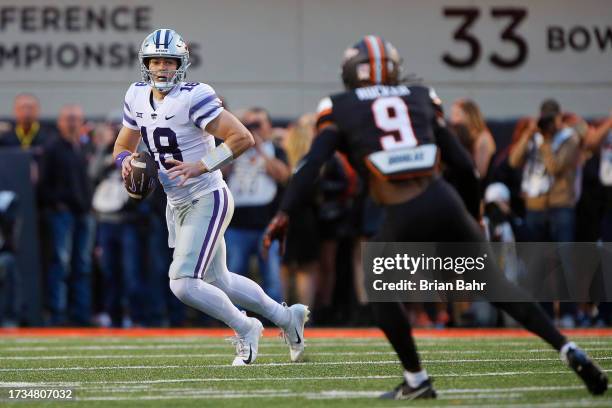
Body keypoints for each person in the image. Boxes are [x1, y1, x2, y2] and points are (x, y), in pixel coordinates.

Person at [263, 35, 608, 399]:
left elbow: (311, 165)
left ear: (350, 72)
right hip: (445, 200)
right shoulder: (421, 96)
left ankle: (416, 379)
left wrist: (285, 211)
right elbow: (463, 165)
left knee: (377, 284)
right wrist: (472, 214)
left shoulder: (338, 106)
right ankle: (569, 348)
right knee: (500, 287)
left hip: (402, 207)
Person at [112, 29, 308, 365]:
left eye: (169, 61)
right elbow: (122, 146)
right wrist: (124, 162)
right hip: (177, 203)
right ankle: (288, 317)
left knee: (183, 284)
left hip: (207, 195)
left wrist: (201, 165)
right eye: (156, 61)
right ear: (145, 64)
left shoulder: (194, 96)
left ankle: (245, 327)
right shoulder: (135, 95)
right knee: (220, 280)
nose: (161, 68)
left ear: (181, 64)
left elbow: (241, 138)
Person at [224, 107, 291, 303]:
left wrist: (260, 148)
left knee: (272, 277)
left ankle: (276, 319)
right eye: (248, 124)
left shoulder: (276, 150)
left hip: (267, 224)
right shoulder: (232, 149)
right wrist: (238, 144)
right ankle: (234, 318)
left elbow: (283, 176)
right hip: (236, 225)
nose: (253, 128)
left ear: (269, 126)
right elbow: (221, 173)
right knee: (233, 276)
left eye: (257, 124)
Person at [40, 105, 95, 326]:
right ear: (60, 122)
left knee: (82, 265)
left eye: (76, 119)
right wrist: (58, 204)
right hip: (63, 214)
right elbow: (43, 184)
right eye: (68, 119)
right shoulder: (52, 147)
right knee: (60, 265)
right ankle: (57, 315)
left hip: (83, 214)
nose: (73, 123)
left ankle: (80, 315)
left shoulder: (83, 147)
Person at [450, 98, 496, 180]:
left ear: (469, 116)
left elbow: (480, 173)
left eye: (457, 115)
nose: (453, 120)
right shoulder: (463, 137)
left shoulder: (483, 139)